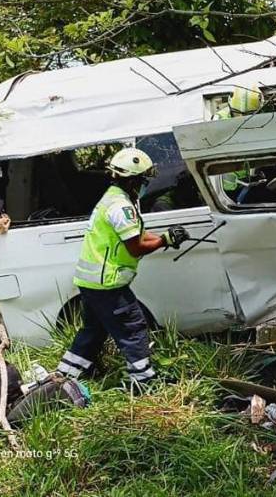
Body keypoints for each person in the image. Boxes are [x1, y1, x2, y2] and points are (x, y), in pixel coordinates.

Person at [57, 148, 190, 387]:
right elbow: (135, 247)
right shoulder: (121, 207)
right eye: (143, 180)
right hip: (108, 283)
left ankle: (64, 377)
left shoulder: (113, 199)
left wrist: (164, 237)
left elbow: (135, 235)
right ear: (134, 180)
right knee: (133, 328)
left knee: (93, 331)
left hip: (92, 283)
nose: (145, 185)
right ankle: (144, 382)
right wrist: (163, 241)